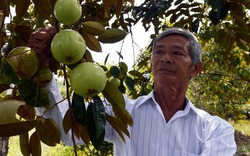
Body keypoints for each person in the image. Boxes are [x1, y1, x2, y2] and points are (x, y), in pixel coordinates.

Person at [34, 27, 236, 156]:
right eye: (159, 52)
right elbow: (65, 132)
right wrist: (42, 75)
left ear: (195, 69)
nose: (165, 58)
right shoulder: (122, 111)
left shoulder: (216, 130)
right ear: (152, 64)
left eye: (177, 52)